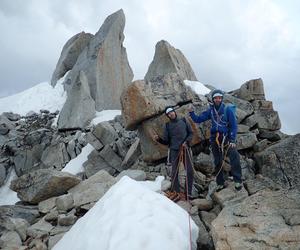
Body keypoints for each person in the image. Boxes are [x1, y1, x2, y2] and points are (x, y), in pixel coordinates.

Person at [188, 89, 242, 191]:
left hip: (226, 137)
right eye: (216, 98)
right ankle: (220, 182)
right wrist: (191, 113)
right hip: (215, 138)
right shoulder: (211, 111)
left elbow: (234, 126)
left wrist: (232, 140)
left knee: (234, 157)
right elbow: (198, 119)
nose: (218, 99)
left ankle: (238, 181)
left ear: (222, 99)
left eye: (219, 98)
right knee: (217, 160)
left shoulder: (227, 110)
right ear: (213, 99)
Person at [153, 107, 194, 199]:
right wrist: (158, 139)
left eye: (171, 111)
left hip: (185, 149)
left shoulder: (183, 120)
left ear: (174, 112)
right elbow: (166, 141)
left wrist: (186, 142)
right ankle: (177, 192)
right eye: (168, 113)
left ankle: (189, 193)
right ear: (167, 116)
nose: (171, 114)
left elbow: (191, 133)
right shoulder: (167, 126)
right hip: (174, 150)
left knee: (190, 171)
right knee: (174, 172)